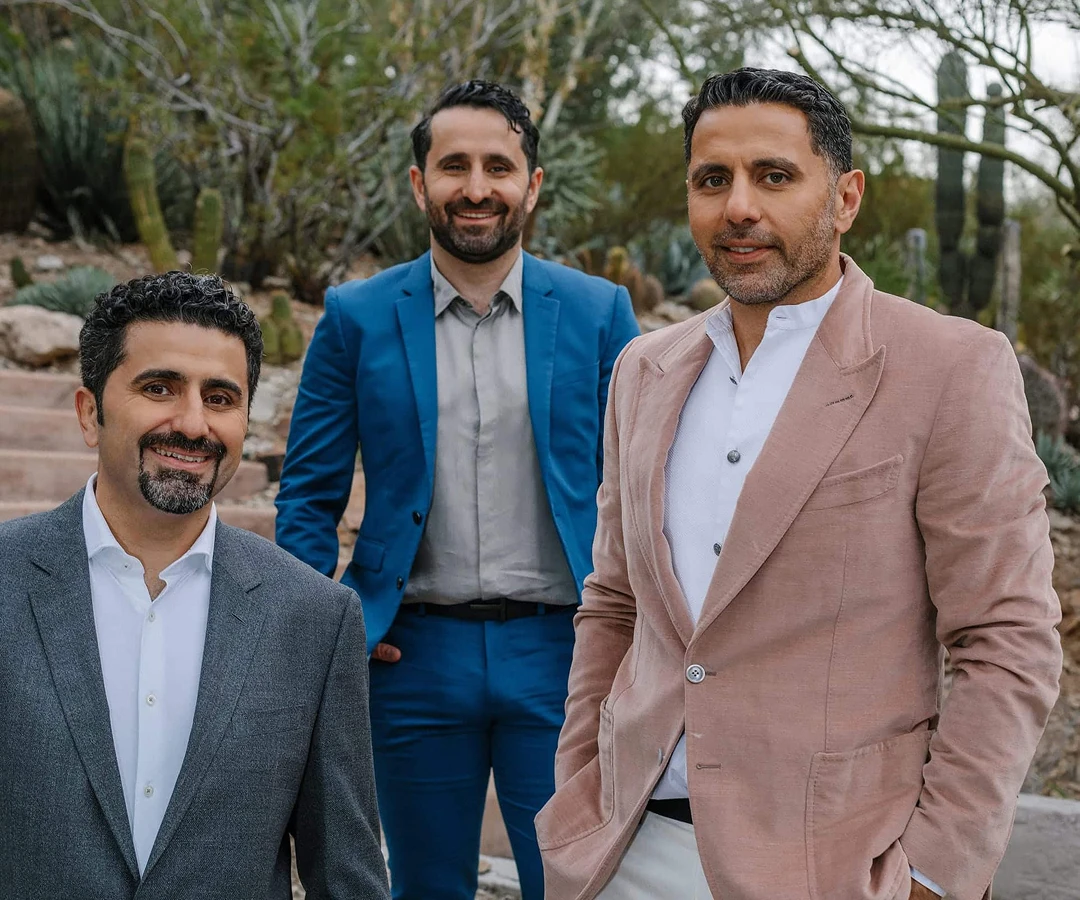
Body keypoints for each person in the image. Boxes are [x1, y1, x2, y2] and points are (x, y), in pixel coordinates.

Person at [536, 68, 1062, 900]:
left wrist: (933, 873)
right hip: (625, 851)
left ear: (845, 198)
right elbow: (614, 603)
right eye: (713, 179)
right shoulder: (644, 370)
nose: (739, 207)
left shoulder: (951, 367)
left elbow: (1007, 639)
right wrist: (580, 788)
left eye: (774, 176)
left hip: (837, 865)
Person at [275, 80, 639, 900]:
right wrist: (330, 629)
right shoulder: (355, 318)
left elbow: (644, 487)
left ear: (531, 185)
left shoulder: (600, 314)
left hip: (565, 652)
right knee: (425, 887)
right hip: (410, 657)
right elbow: (308, 494)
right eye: (454, 166)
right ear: (420, 183)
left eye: (498, 167)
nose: (477, 188)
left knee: (575, 884)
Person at [0, 272, 389, 900]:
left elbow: (347, 876)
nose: (192, 423)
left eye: (220, 397)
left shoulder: (315, 617)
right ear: (90, 413)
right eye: (159, 388)